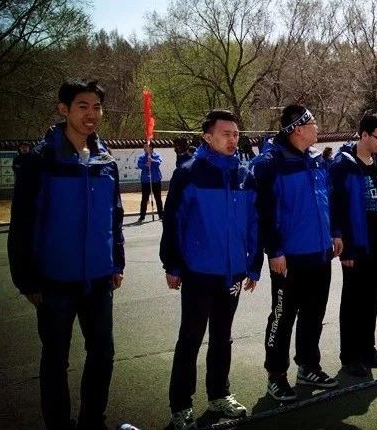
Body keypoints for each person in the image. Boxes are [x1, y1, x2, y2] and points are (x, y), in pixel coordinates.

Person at [7, 79, 125, 430]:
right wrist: (26, 278)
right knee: (56, 358)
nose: (92, 114)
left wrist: (116, 261)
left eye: (97, 107)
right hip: (55, 280)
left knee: (102, 354)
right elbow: (22, 223)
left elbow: (115, 216)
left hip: (99, 278)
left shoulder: (106, 159)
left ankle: (93, 421)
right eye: (83, 106)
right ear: (64, 109)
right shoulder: (40, 160)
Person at [160, 109, 263, 430]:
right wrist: (173, 264)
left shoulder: (244, 175)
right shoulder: (189, 173)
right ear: (207, 137)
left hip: (233, 273)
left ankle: (219, 394)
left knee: (222, 337)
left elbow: (254, 222)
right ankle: (181, 405)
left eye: (236, 134)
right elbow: (173, 221)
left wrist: (253, 265)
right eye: (225, 134)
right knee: (190, 338)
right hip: (198, 272)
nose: (232, 139)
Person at [252, 104, 342, 401]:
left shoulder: (317, 159)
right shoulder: (270, 163)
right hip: (289, 257)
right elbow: (265, 212)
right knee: (282, 317)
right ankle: (276, 375)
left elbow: (328, 198)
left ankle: (308, 365)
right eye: (313, 122)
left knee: (314, 314)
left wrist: (335, 232)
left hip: (321, 253)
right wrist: (274, 250)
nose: (318, 127)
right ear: (298, 129)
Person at [330, 111, 377, 377]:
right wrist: (341, 239)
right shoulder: (343, 164)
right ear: (364, 135)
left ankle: (368, 350)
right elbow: (336, 204)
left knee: (372, 298)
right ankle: (350, 356)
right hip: (356, 242)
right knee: (353, 301)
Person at [136, 142, 164, 222]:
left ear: (151, 147)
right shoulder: (142, 157)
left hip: (155, 179)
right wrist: (145, 165)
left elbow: (159, 162)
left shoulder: (156, 155)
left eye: (146, 147)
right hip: (145, 180)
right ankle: (142, 216)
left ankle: (161, 214)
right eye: (144, 147)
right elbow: (139, 164)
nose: (144, 148)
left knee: (158, 198)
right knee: (144, 198)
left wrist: (152, 160)